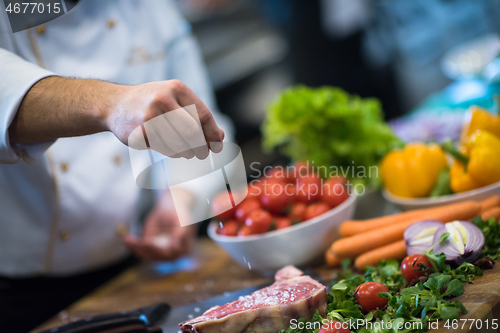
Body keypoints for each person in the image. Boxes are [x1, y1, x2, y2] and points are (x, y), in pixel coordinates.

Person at [0, 1, 233, 331]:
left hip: (130, 271)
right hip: (16, 296)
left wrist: (179, 197)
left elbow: (198, 118)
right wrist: (108, 103)